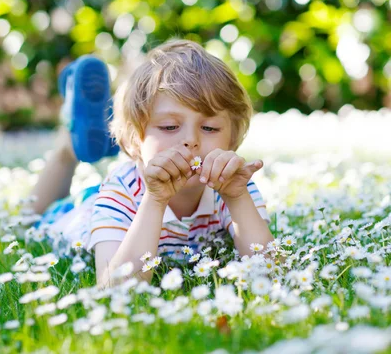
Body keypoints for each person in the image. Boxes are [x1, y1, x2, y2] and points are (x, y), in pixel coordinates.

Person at [27, 38, 274, 289]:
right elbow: (115, 288)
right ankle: (68, 148)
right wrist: (155, 200)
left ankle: (108, 127)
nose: (191, 140)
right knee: (28, 222)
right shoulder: (120, 192)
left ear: (233, 140)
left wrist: (237, 197)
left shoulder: (232, 185)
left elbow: (273, 274)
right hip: (79, 215)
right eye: (169, 127)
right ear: (135, 141)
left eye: (209, 127)